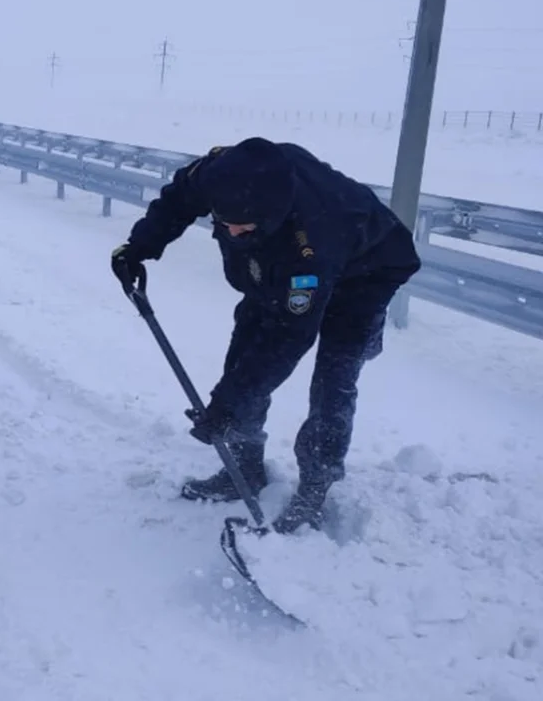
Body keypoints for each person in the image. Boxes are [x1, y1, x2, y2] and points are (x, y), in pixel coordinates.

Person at [110, 137, 421, 534]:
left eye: (243, 225)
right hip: (280, 265)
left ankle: (317, 485)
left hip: (367, 270)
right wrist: (138, 247)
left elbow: (289, 337)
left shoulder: (312, 244)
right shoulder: (222, 177)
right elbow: (179, 200)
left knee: (335, 374)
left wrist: (228, 404)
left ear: (272, 214)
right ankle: (245, 467)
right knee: (245, 346)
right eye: (224, 221)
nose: (230, 230)